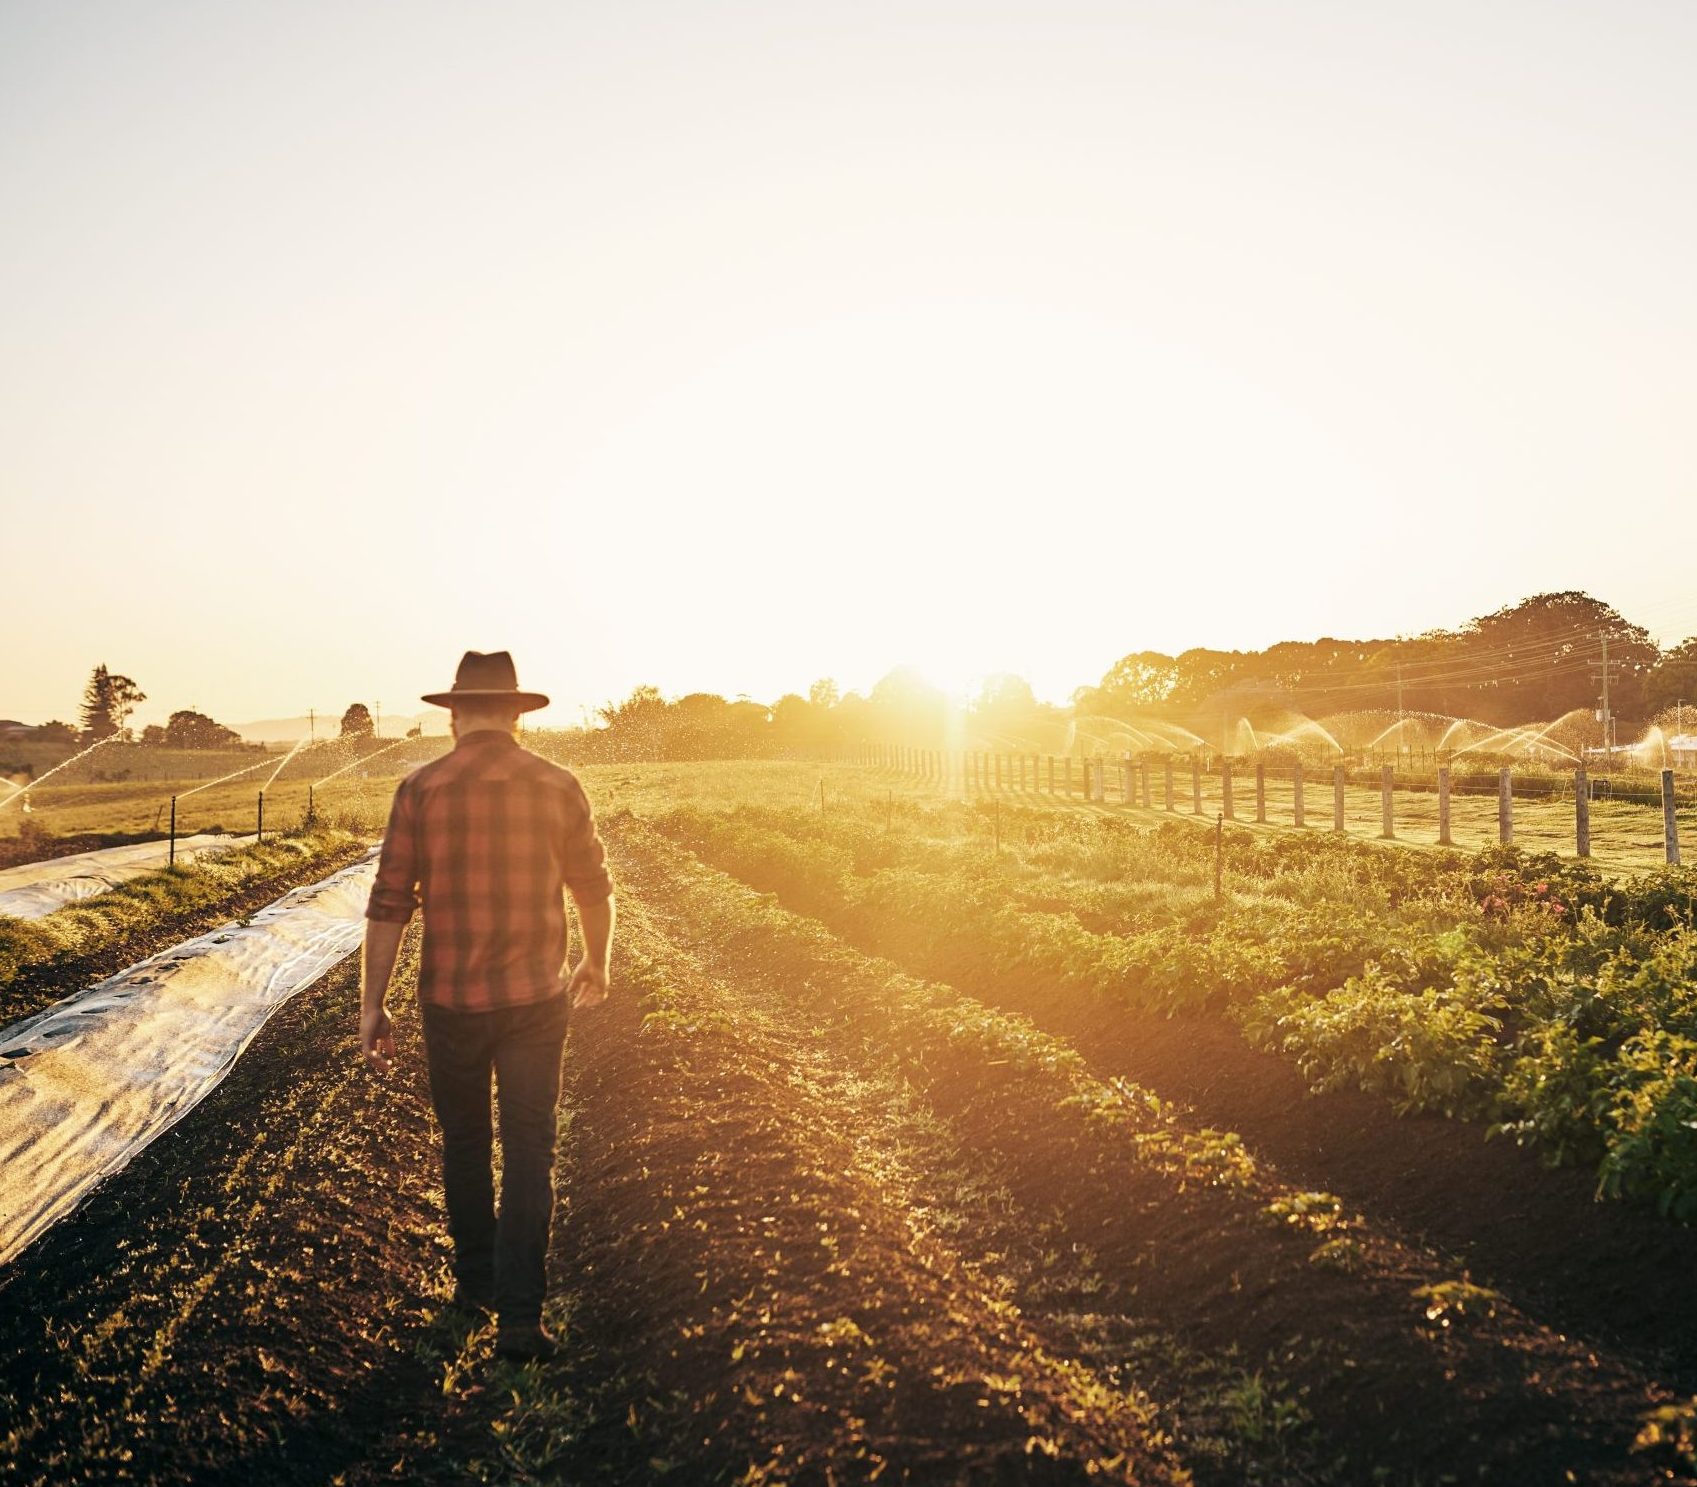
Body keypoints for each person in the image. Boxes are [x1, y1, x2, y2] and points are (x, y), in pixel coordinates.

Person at [359, 650, 615, 1363]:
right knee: (530, 1146)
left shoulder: (420, 789)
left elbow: (388, 905)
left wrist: (372, 1006)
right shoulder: (558, 785)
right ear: (517, 715)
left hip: (449, 999)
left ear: (452, 715)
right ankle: (520, 1319)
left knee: (466, 1143)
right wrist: (597, 960)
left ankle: (473, 1290)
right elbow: (593, 887)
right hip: (537, 997)